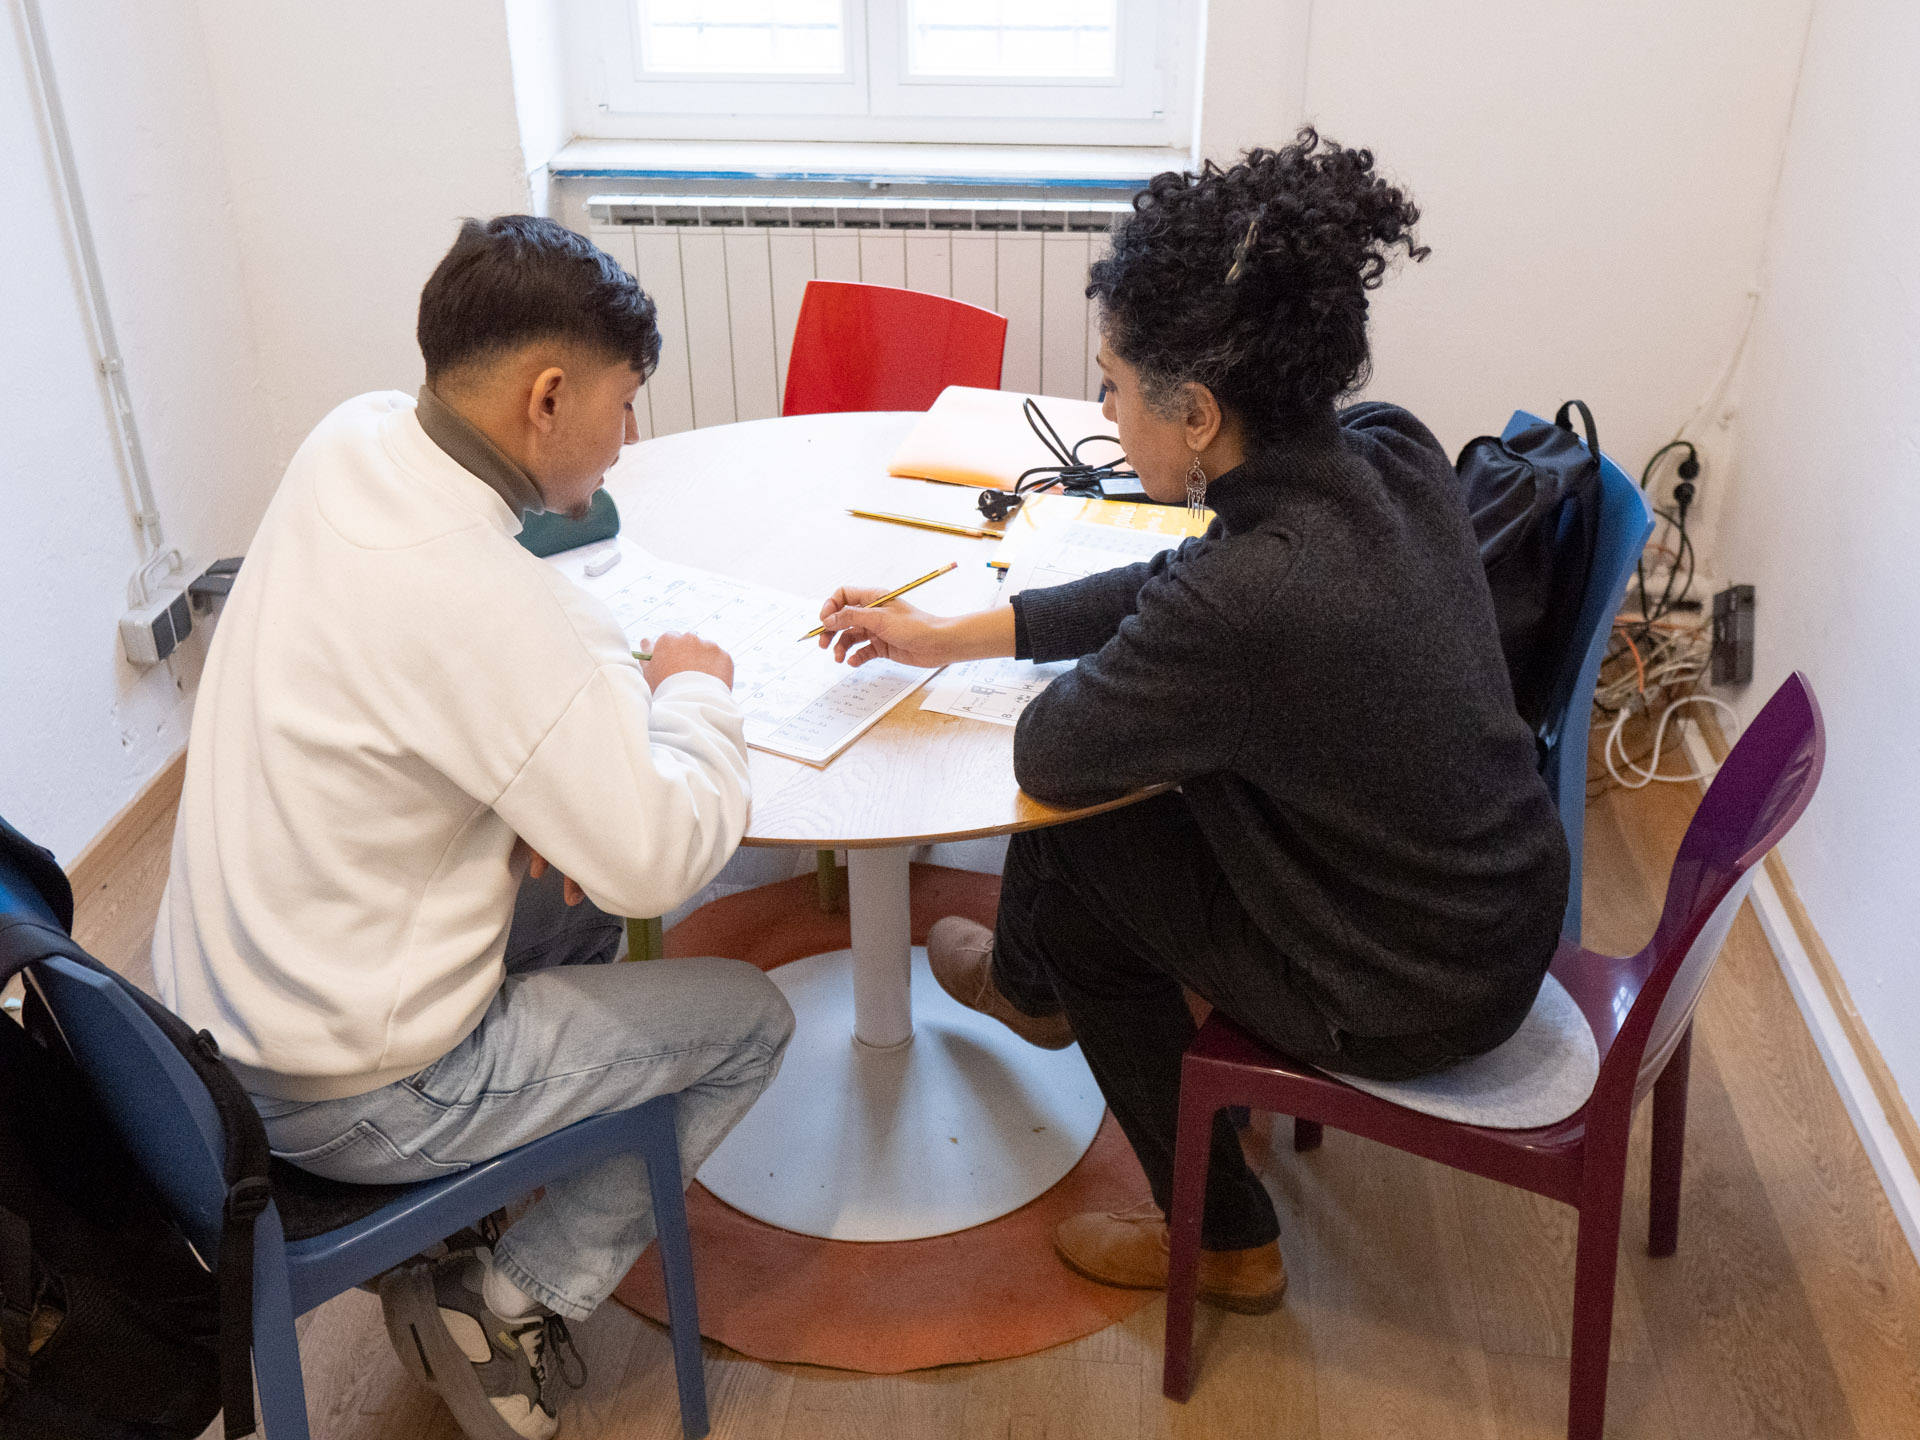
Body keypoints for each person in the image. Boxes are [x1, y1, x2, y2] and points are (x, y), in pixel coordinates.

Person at [814, 133, 1569, 1314]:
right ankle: (1029, 988)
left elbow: (1055, 750)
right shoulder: (1389, 448)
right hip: (1492, 907)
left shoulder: (1255, 600)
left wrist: (1081, 681)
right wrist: (961, 632)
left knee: (1091, 833)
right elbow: (1184, 582)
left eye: (1114, 385)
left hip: (1403, 986)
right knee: (1130, 784)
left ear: (1201, 414)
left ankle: (1221, 1237)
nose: (1105, 413)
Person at [152, 216, 794, 1440]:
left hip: (215, 1025)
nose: (629, 436)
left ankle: (465, 1222)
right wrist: (694, 692)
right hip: (350, 1088)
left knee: (572, 900)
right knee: (749, 1023)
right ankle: (508, 1298)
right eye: (623, 403)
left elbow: (452, 667)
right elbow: (659, 857)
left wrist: (546, 783)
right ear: (548, 398)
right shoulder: (481, 598)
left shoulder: (350, 439)